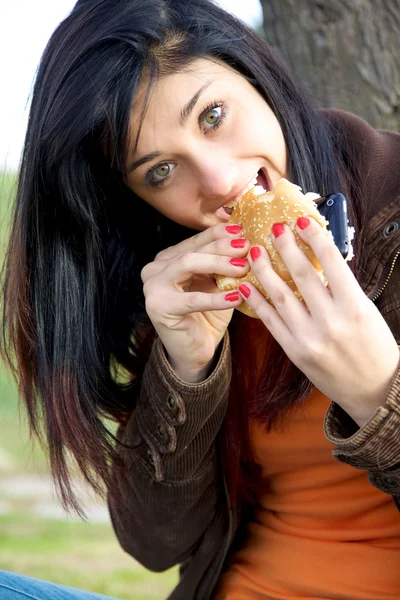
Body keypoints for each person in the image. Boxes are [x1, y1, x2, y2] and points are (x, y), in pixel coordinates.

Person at [1, 0, 400, 598]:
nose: (217, 183)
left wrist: (379, 395)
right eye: (160, 171)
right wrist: (185, 371)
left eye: (212, 115)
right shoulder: (186, 284)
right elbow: (156, 545)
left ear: (255, 74)